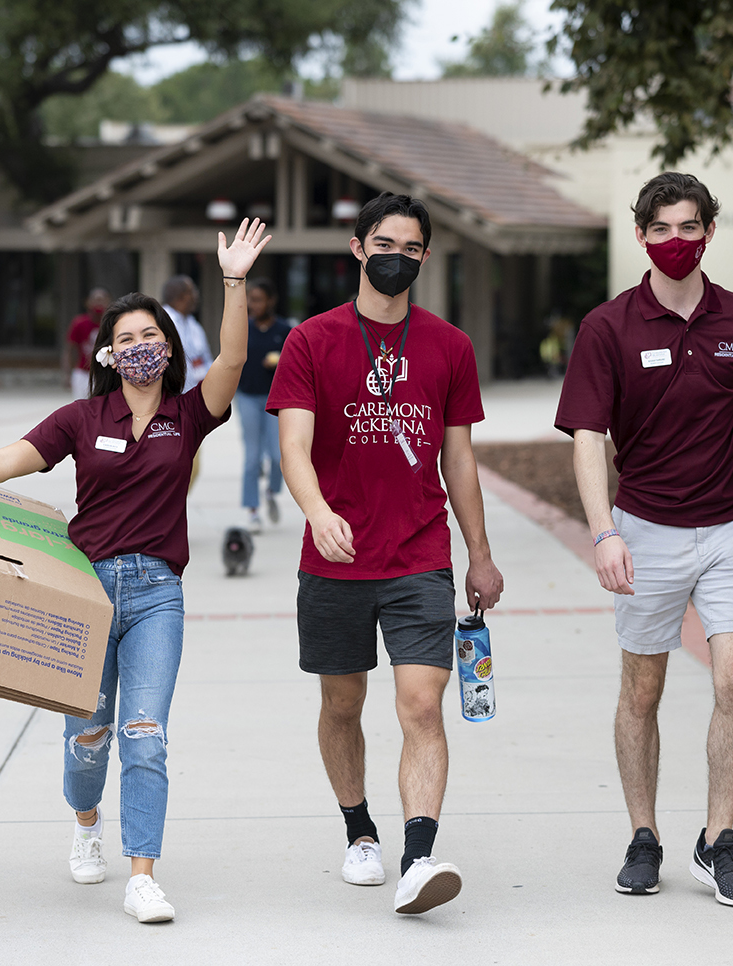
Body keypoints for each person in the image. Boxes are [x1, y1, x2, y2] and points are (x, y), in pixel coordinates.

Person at [0, 219, 271, 925]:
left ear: (168, 347)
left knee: (144, 733)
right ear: (110, 356)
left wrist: (233, 282)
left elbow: (235, 366)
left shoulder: (189, 414)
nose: (139, 348)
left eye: (149, 336)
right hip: (85, 595)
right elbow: (8, 458)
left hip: (157, 596)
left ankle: (143, 873)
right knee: (88, 740)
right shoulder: (83, 418)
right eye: (125, 341)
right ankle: (86, 824)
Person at [268, 192, 504, 916]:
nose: (395, 257)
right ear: (357, 247)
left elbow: (458, 463)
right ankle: (359, 830)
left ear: (425, 257)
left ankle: (420, 853)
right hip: (334, 560)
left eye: (410, 247)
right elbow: (294, 445)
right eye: (384, 243)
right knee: (343, 703)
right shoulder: (313, 341)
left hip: (417, 555)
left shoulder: (449, 346)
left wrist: (480, 555)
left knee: (421, 705)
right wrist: (317, 511)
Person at [555, 172, 733, 908]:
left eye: (689, 227)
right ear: (640, 234)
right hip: (643, 529)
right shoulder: (607, 328)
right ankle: (643, 835)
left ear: (710, 230)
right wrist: (605, 532)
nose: (675, 242)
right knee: (642, 689)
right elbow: (587, 438)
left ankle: (718, 841)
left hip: (725, 531)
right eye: (661, 229)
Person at [237, 277, 290, 532]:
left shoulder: (285, 330)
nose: (252, 304)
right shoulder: (243, 328)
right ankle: (253, 511)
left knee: (279, 456)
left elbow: (296, 366)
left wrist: (280, 362)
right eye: (250, 299)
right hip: (247, 397)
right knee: (252, 458)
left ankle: (271, 491)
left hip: (276, 400)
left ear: (271, 300)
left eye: (257, 299)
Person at [160, 276, 211, 393]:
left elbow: (205, 357)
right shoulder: (162, 321)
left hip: (196, 391)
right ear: (180, 296)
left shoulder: (192, 323)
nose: (196, 296)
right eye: (192, 291)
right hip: (174, 393)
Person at [64, 288, 112, 400]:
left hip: (104, 373)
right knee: (82, 407)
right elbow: (69, 350)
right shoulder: (79, 323)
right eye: (96, 300)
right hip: (82, 373)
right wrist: (67, 374)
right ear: (88, 303)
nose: (98, 304)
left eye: (102, 300)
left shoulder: (111, 324)